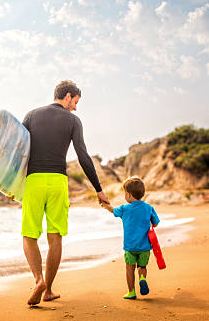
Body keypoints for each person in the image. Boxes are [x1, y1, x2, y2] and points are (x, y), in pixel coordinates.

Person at [21, 80, 110, 306]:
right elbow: (83, 155)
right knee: (55, 237)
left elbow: (19, 150)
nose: (75, 108)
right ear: (68, 96)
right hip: (58, 181)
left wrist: (10, 184)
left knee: (29, 235)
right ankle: (48, 290)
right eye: (76, 102)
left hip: (33, 180)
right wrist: (98, 189)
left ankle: (38, 280)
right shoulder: (73, 121)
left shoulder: (31, 115)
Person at [101, 175, 160, 300]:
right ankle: (142, 278)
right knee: (142, 267)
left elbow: (113, 210)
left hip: (130, 246)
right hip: (144, 246)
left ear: (128, 195)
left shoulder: (124, 209)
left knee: (129, 268)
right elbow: (155, 223)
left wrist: (105, 205)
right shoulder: (148, 208)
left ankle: (131, 292)